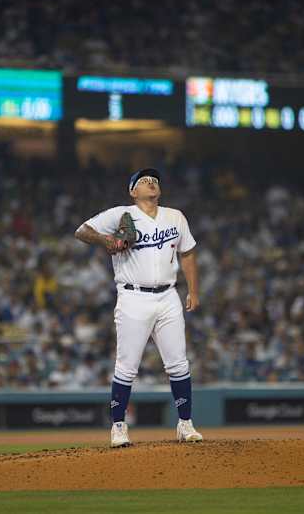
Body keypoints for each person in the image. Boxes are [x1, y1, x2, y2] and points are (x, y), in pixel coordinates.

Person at [75, 168, 203, 447]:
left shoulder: (175, 216)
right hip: (133, 296)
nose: (151, 183)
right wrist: (106, 239)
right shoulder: (121, 214)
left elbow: (188, 253)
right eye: (144, 181)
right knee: (127, 366)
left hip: (168, 295)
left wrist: (193, 290)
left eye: (155, 180)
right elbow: (82, 230)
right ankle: (118, 427)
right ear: (133, 191)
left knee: (178, 363)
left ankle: (185, 424)